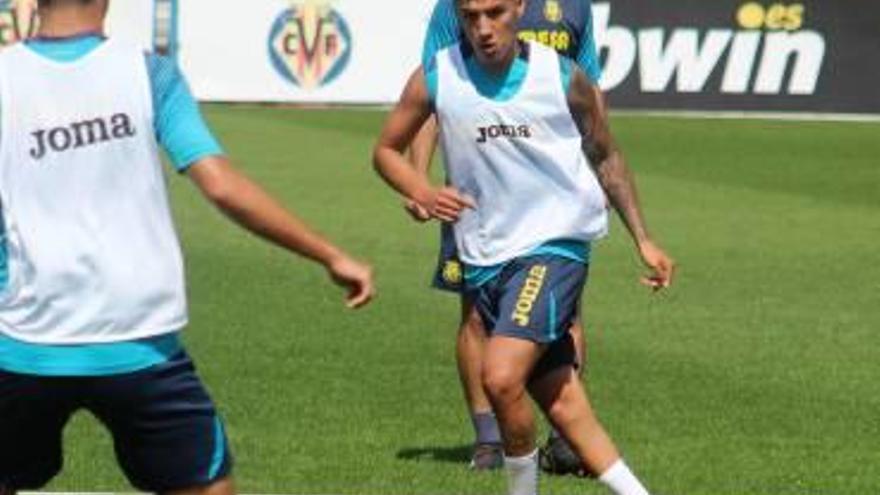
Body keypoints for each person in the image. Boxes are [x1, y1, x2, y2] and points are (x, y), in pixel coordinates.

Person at [0, 1, 373, 494]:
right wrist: (329, 253)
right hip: (139, 343)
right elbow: (221, 186)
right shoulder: (147, 73)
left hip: (22, 345)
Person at [374, 0, 674, 493]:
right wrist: (419, 186)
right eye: (471, 17)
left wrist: (643, 238)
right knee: (563, 404)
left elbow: (606, 154)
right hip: (486, 252)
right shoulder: (436, 76)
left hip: (556, 243)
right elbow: (384, 151)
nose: (483, 28)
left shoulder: (562, 77)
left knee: (501, 375)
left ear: (519, 7)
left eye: (495, 13)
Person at [411, 0, 606, 473]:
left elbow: (590, 97)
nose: (483, 25)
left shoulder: (574, 7)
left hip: (549, 200)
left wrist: (594, 173)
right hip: (477, 196)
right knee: (477, 315)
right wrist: (421, 182)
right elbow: (435, 96)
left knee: (565, 316)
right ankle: (489, 438)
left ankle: (563, 439)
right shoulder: (452, 9)